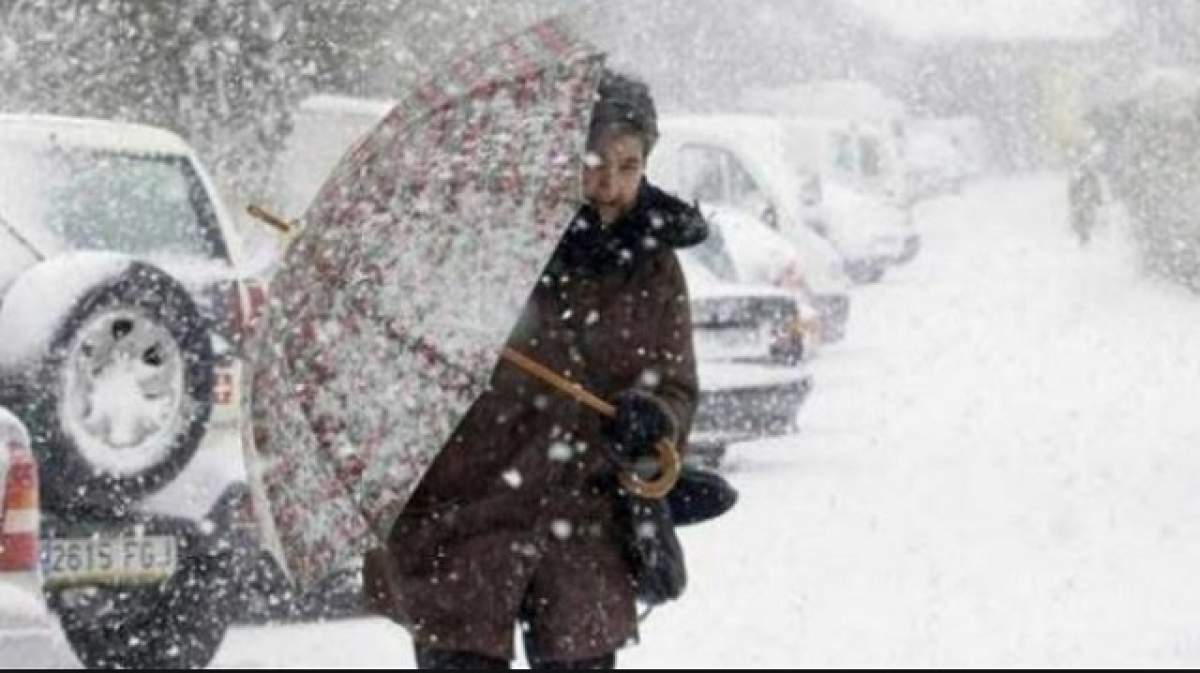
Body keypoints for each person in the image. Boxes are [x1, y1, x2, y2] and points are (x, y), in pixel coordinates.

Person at [368, 70, 708, 669]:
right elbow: (420, 360)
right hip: (468, 514)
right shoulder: (488, 238)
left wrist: (653, 421)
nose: (609, 185)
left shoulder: (653, 264)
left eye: (628, 167)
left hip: (586, 526)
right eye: (595, 163)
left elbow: (676, 382)